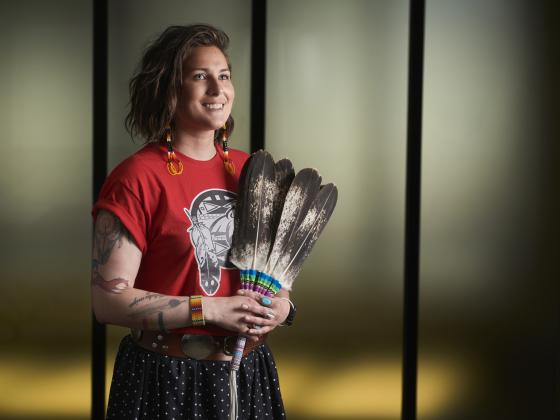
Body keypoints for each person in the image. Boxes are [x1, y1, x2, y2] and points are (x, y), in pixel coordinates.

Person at [91, 24, 293, 419]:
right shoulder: (137, 177)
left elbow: (278, 277)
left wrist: (282, 307)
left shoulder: (250, 171)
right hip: (166, 377)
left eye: (224, 76)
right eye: (200, 77)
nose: (218, 91)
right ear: (169, 88)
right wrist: (211, 310)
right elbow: (107, 300)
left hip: (250, 373)